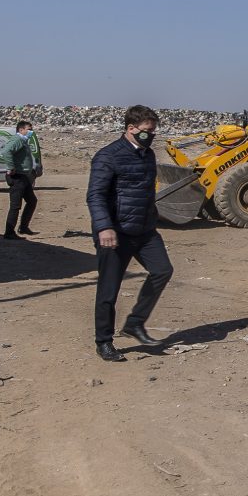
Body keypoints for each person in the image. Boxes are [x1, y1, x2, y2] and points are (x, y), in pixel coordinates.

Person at [86, 105, 173, 362]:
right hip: (115, 232)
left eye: (153, 131)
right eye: (147, 130)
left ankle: (135, 322)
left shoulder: (148, 155)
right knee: (108, 290)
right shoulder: (108, 156)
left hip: (144, 230)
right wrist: (104, 227)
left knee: (162, 270)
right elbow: (95, 195)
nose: (151, 135)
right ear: (130, 128)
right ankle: (104, 341)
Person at [0, 121, 38, 239]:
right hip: (17, 178)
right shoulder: (17, 140)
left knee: (32, 201)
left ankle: (23, 227)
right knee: (15, 205)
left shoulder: (23, 141)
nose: (31, 131)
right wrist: (11, 168)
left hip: (23, 176)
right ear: (21, 130)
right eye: (29, 129)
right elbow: (6, 151)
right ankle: (9, 232)